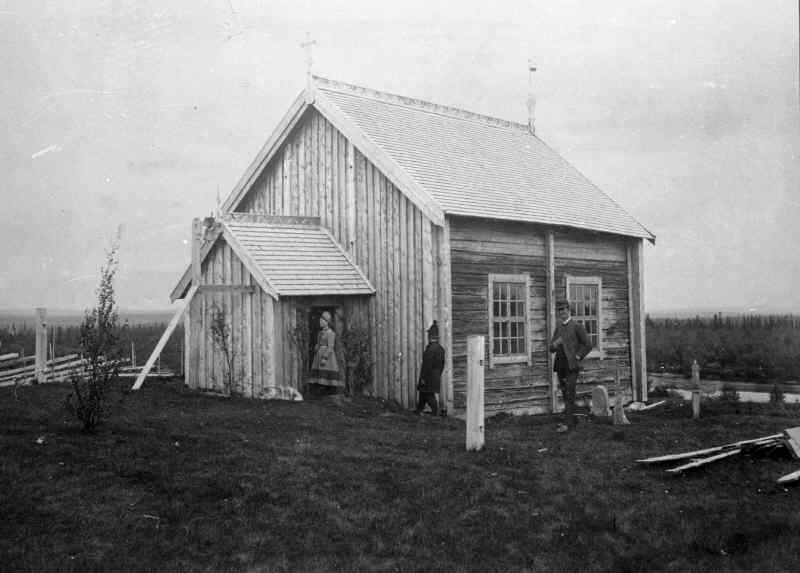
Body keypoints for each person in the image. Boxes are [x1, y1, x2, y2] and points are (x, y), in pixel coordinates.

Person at [550, 299, 592, 424]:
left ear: (569, 310)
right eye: (559, 310)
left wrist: (578, 356)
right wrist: (555, 344)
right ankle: (570, 418)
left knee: (570, 391)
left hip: (572, 366)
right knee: (564, 392)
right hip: (560, 365)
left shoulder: (577, 326)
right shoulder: (558, 328)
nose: (562, 312)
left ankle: (568, 422)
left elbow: (588, 344)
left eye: (564, 309)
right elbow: (550, 348)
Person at [416, 321, 445, 415]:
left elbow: (426, 365)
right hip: (436, 375)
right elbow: (442, 365)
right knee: (423, 393)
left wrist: (423, 378)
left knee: (428, 394)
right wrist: (438, 374)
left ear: (430, 336)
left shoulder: (430, 349)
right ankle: (419, 410)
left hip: (428, 376)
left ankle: (435, 412)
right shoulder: (440, 349)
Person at [310, 311, 341, 387]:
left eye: (322, 321)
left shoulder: (331, 333)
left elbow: (330, 347)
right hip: (318, 356)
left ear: (327, 322)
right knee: (319, 378)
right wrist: (316, 347)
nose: (320, 322)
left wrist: (325, 358)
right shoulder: (320, 333)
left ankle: (328, 390)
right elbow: (319, 343)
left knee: (326, 376)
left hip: (327, 358)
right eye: (320, 320)